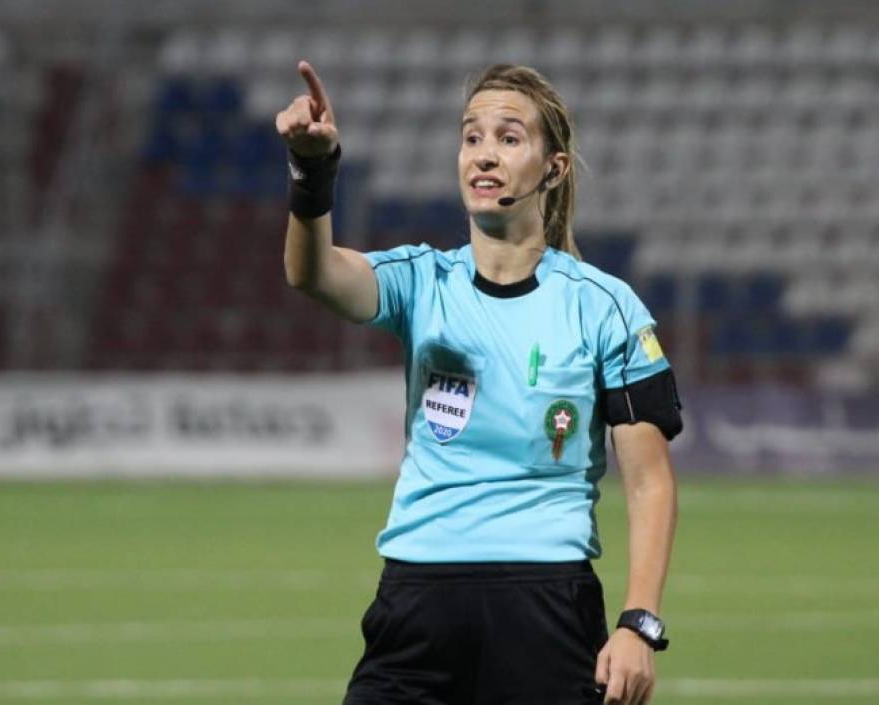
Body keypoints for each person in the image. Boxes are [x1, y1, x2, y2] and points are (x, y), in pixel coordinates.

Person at [276, 59, 681, 705]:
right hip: (417, 601)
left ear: (554, 169)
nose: (484, 155)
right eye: (471, 137)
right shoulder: (420, 280)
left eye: (508, 137)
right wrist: (311, 170)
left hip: (546, 604)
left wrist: (639, 622)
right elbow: (312, 272)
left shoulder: (606, 306)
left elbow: (649, 478)